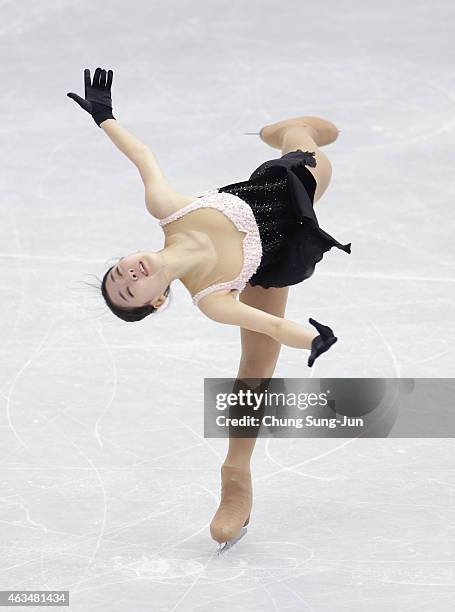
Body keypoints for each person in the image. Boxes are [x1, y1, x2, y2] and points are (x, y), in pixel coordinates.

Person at [67, 67, 352, 550]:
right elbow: (272, 324)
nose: (127, 276)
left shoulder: (167, 208)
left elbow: (143, 156)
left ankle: (287, 131)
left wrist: (105, 117)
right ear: (157, 300)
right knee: (255, 368)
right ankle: (235, 475)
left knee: (309, 146)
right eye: (129, 291)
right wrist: (315, 339)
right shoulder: (213, 300)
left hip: (285, 181)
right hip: (273, 261)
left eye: (118, 273)